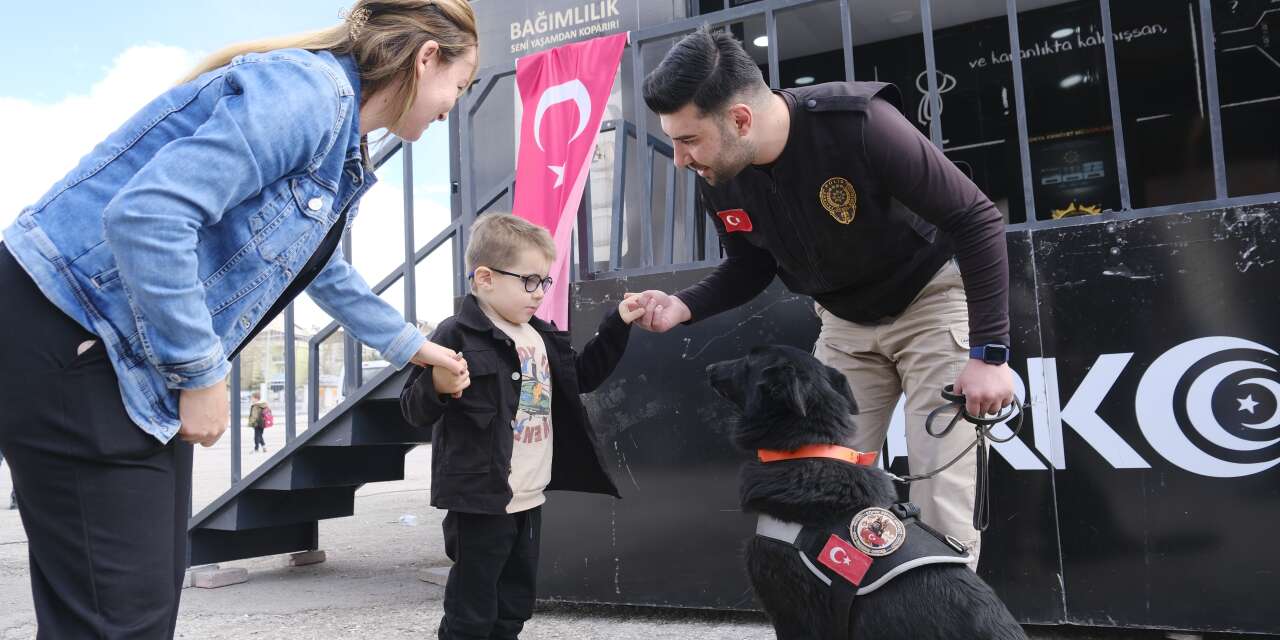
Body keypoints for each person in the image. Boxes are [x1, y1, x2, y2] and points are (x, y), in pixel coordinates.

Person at [0, 2, 476, 636]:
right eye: (461, 85)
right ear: (425, 60)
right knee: (117, 619)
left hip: (118, 351)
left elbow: (322, 271)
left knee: (129, 607)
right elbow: (149, 215)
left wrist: (418, 348)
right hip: (73, 329)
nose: (453, 108)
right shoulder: (310, 92)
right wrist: (201, 372)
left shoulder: (342, 150)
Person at [634, 26, 1014, 569]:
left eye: (688, 139)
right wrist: (683, 306)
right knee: (813, 488)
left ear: (740, 119)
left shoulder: (860, 124)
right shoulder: (720, 170)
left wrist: (989, 355)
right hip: (841, 322)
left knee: (940, 501)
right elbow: (748, 265)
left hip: (930, 304)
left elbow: (975, 218)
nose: (678, 158)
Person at [400, 214, 645, 640]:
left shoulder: (540, 335)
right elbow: (411, 409)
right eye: (529, 281)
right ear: (486, 277)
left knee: (514, 602)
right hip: (480, 500)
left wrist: (617, 323)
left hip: (529, 496)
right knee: (472, 610)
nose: (539, 294)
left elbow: (582, 376)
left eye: (544, 282)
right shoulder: (455, 334)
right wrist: (437, 385)